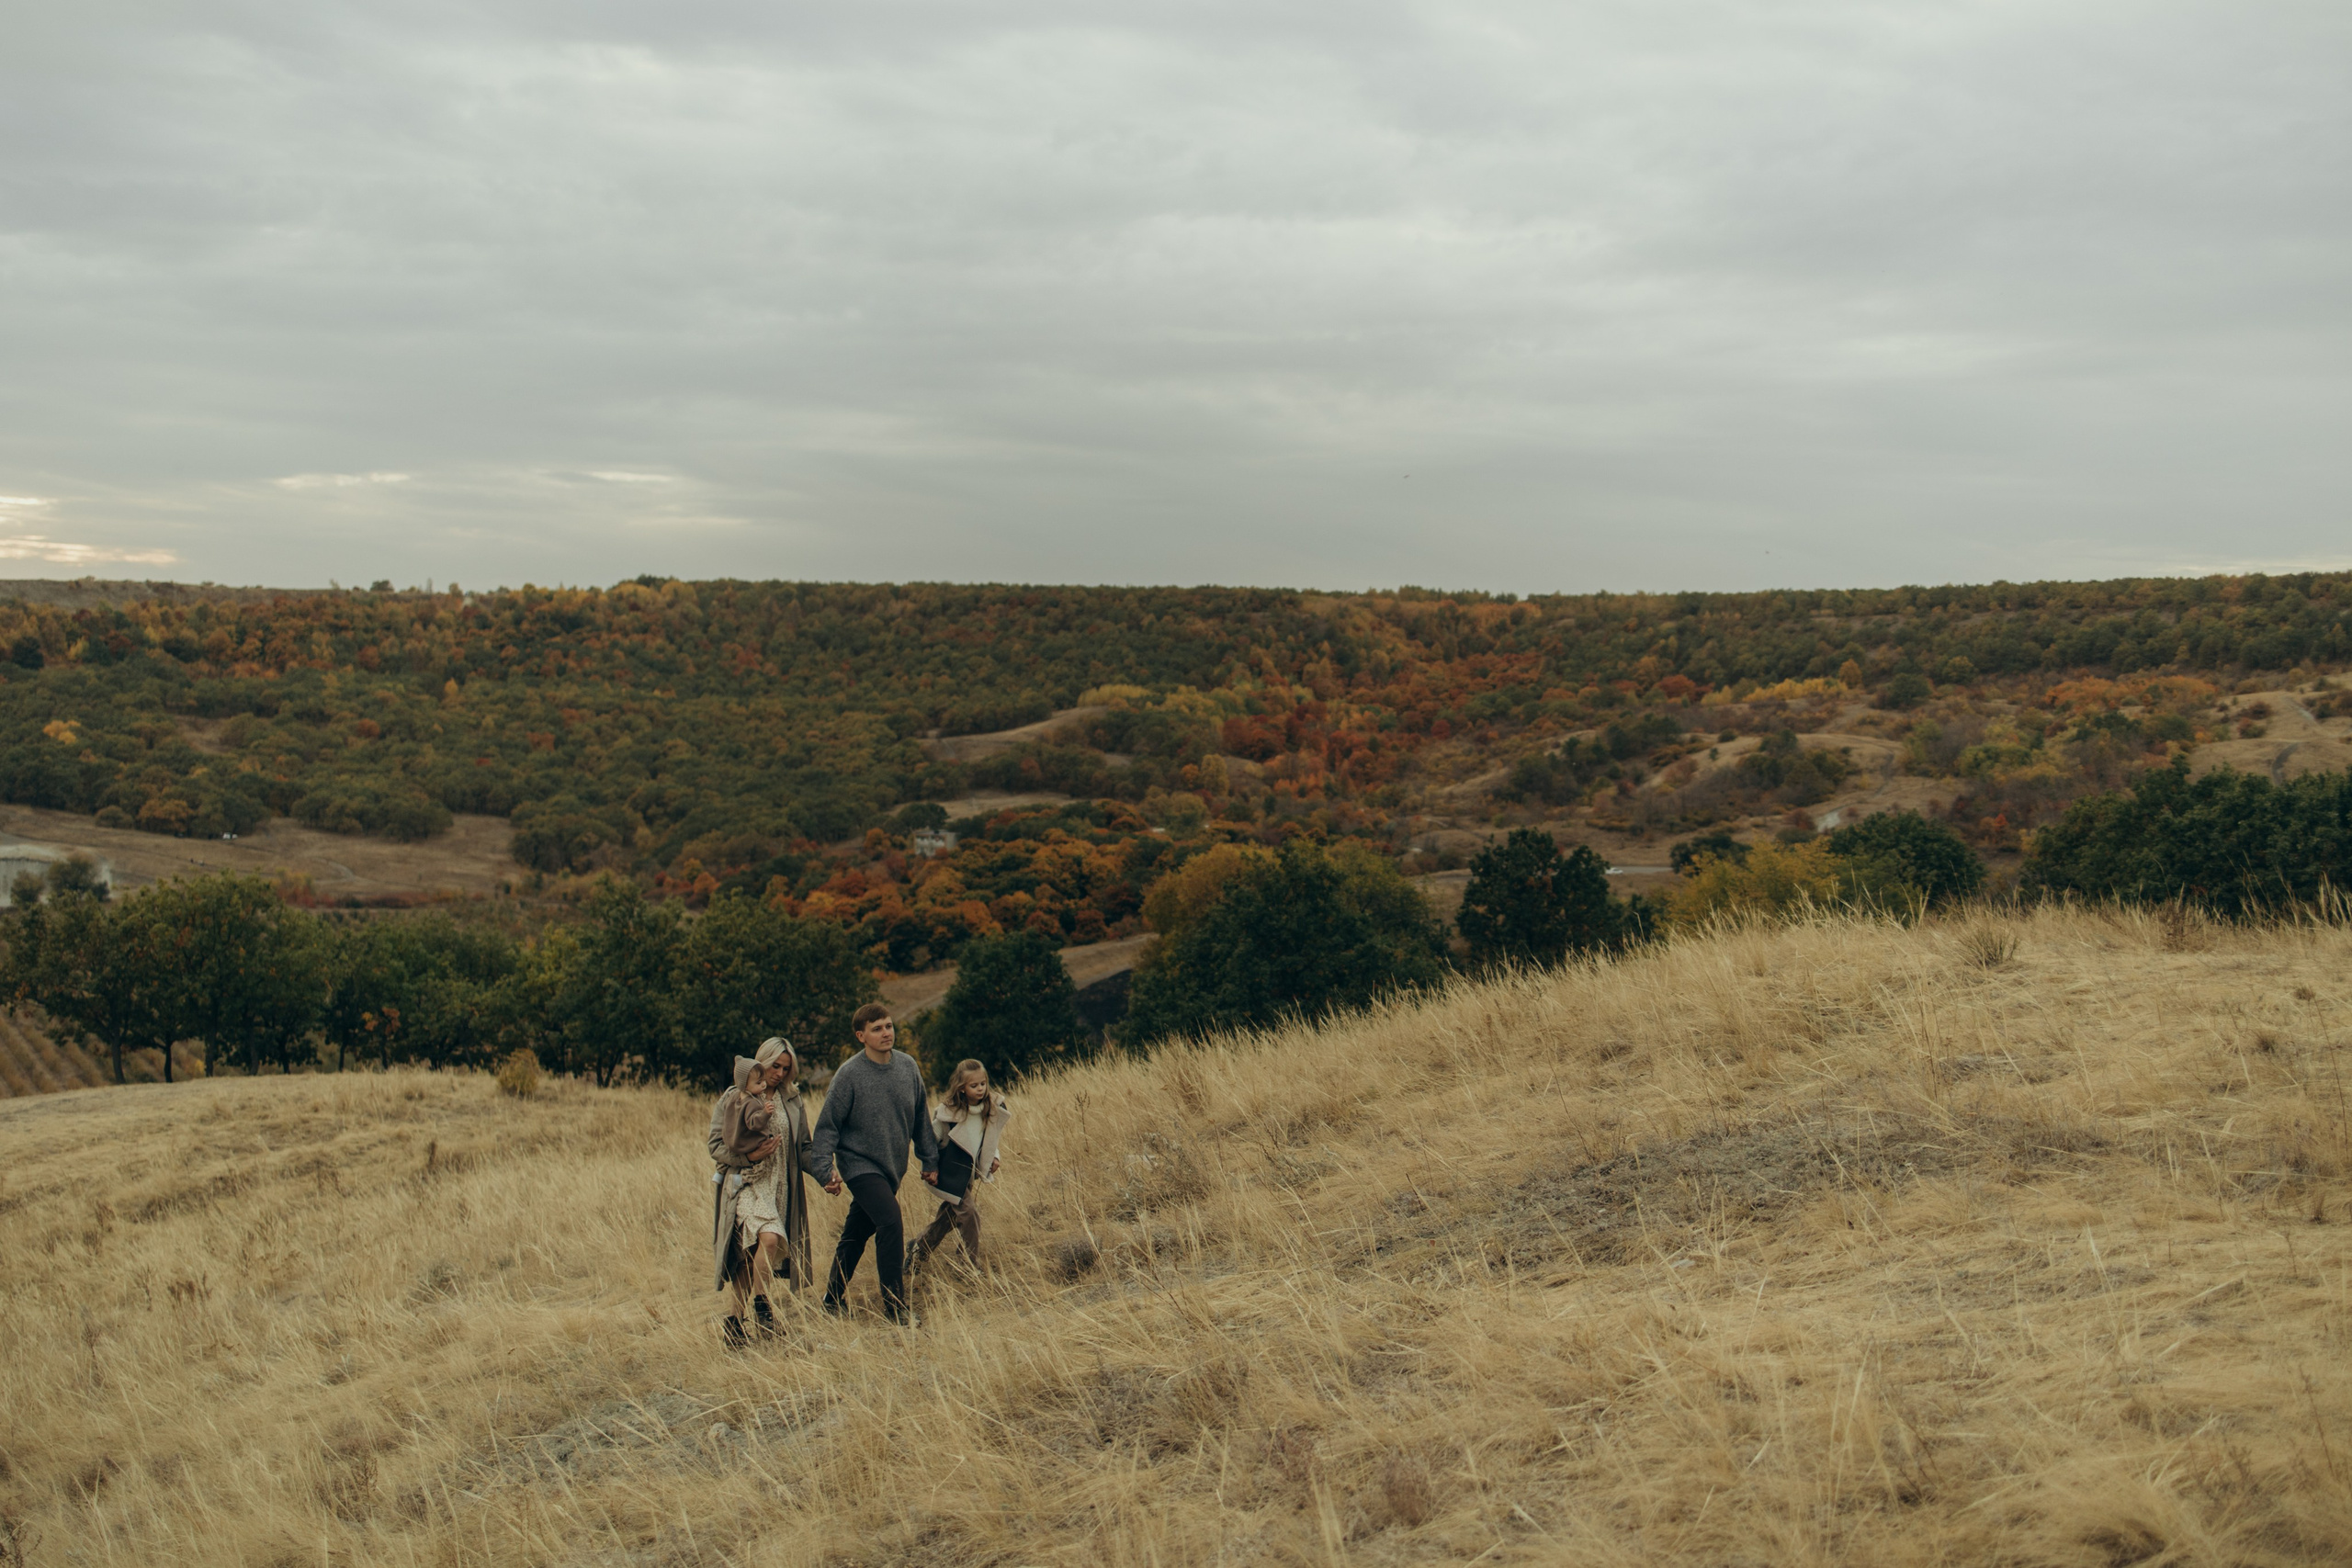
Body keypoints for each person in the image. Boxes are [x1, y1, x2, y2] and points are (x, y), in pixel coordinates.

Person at [809, 1004, 937, 1324]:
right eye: (877, 1028)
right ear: (861, 1035)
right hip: (859, 1165)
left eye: (889, 1026)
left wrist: (929, 1158)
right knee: (891, 1221)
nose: (886, 1033)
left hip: (893, 1166)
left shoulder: (908, 1067)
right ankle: (895, 1309)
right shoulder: (849, 1074)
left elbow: (921, 1116)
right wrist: (825, 1169)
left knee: (857, 1231)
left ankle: (831, 1297)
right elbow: (827, 1126)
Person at [708, 1037, 833, 1347]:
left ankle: (735, 1325)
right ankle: (763, 1307)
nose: (778, 1073)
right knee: (769, 1238)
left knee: (751, 1255)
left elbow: (804, 1146)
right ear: (759, 1061)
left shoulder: (792, 1100)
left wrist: (824, 1174)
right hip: (747, 1182)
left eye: (785, 1068)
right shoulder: (734, 1097)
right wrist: (748, 1157)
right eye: (773, 1065)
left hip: (780, 1185)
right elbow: (715, 1146)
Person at [910, 1058, 1011, 1274]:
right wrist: (930, 1166)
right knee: (969, 1213)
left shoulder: (989, 1108)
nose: (980, 1089)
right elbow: (928, 1139)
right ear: (962, 1088)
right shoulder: (949, 1115)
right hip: (949, 1172)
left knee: (949, 1217)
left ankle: (919, 1249)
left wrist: (994, 1156)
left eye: (983, 1083)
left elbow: (989, 1137)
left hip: (967, 1173)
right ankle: (968, 1264)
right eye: (974, 1086)